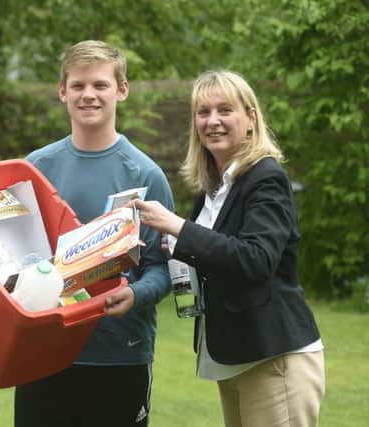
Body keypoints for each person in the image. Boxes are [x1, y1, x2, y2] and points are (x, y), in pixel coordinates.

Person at [131, 70, 325, 426]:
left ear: (251, 118)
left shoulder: (266, 178)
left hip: (273, 355)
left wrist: (178, 227)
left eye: (225, 110)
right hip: (233, 354)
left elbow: (256, 259)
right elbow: (216, 254)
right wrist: (175, 247)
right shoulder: (211, 189)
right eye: (203, 112)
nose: (213, 121)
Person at [14, 40, 174, 427]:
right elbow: (9, 249)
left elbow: (164, 268)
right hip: (42, 353)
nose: (89, 95)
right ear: (62, 92)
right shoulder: (35, 167)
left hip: (118, 353)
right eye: (79, 85)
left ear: (121, 90)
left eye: (100, 85)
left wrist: (135, 293)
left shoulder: (145, 175)